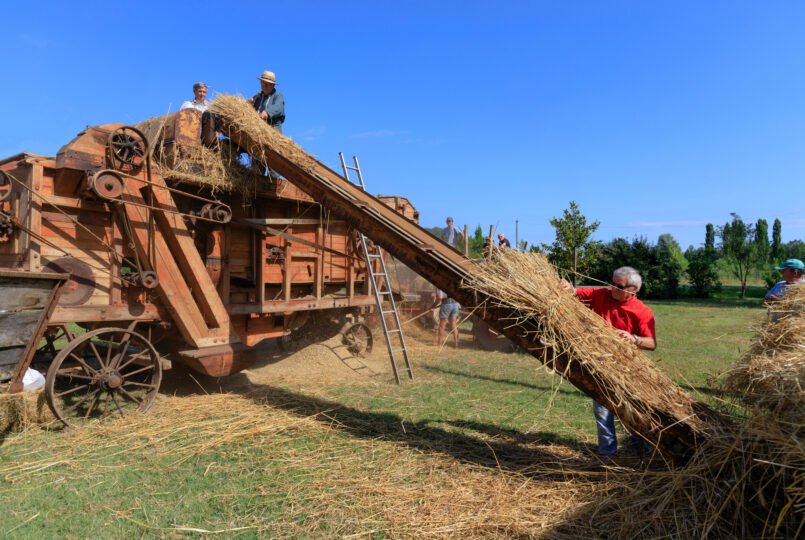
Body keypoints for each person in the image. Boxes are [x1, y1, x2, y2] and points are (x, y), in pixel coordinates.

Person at [559, 266, 657, 461]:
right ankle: (608, 456)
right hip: (600, 364)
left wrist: (634, 339)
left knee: (634, 411)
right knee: (602, 411)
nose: (612, 287)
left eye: (618, 285)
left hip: (627, 368)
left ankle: (645, 452)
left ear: (632, 289)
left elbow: (652, 343)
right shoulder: (602, 295)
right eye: (611, 282)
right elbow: (575, 292)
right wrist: (567, 287)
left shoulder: (643, 311)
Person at [180, 82, 217, 146]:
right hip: (190, 137)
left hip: (206, 139)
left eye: (204, 92)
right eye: (200, 91)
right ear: (194, 92)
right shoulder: (187, 105)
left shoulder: (210, 107)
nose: (202, 94)